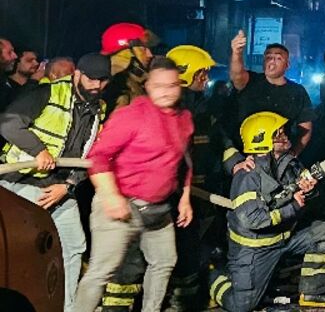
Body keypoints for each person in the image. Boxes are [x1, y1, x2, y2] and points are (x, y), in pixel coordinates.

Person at [74, 58, 194, 312]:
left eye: (172, 85)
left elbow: (184, 160)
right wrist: (110, 196)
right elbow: (98, 156)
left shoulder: (184, 118)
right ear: (148, 85)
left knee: (164, 261)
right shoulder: (132, 114)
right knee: (102, 271)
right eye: (159, 85)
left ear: (179, 86)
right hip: (122, 202)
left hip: (158, 208)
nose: (165, 91)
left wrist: (185, 198)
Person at [0, 52, 110, 309]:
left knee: (74, 245)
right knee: (22, 250)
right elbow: (8, 125)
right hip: (20, 183)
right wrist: (38, 150)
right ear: (78, 75)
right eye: (91, 79)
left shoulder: (99, 108)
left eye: (103, 80)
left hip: (60, 188)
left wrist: (68, 186)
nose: (96, 86)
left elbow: (92, 154)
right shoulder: (46, 93)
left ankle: (66, 307)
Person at [208, 111, 325, 310]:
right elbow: (253, 221)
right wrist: (294, 207)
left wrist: (309, 191)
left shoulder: (289, 164)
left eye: (282, 131)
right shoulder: (248, 177)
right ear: (262, 141)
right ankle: (210, 275)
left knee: (323, 232)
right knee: (241, 306)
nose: (285, 135)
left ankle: (312, 292)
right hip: (255, 250)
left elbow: (303, 200)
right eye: (278, 134)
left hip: (285, 238)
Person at [165, 44, 225, 311]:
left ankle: (187, 300)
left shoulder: (202, 105)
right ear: (185, 74)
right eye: (201, 74)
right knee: (177, 249)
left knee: (193, 247)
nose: (206, 79)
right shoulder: (174, 107)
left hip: (199, 190)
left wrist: (235, 162)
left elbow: (218, 141)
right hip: (173, 194)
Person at [228, 31, 315, 155]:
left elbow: (305, 128)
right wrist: (237, 53)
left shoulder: (297, 92)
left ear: (287, 65)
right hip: (245, 156)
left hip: (277, 157)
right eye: (268, 57)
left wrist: (292, 154)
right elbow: (237, 75)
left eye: (278, 58)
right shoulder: (251, 81)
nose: (272, 61)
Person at [100, 22, 159, 116]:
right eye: (144, 49)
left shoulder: (135, 81)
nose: (150, 55)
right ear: (125, 52)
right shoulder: (117, 87)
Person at [0, 43, 39, 110]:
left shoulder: (38, 85)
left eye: (36, 60)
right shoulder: (4, 84)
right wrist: (33, 80)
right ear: (16, 62)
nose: (36, 63)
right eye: (29, 60)